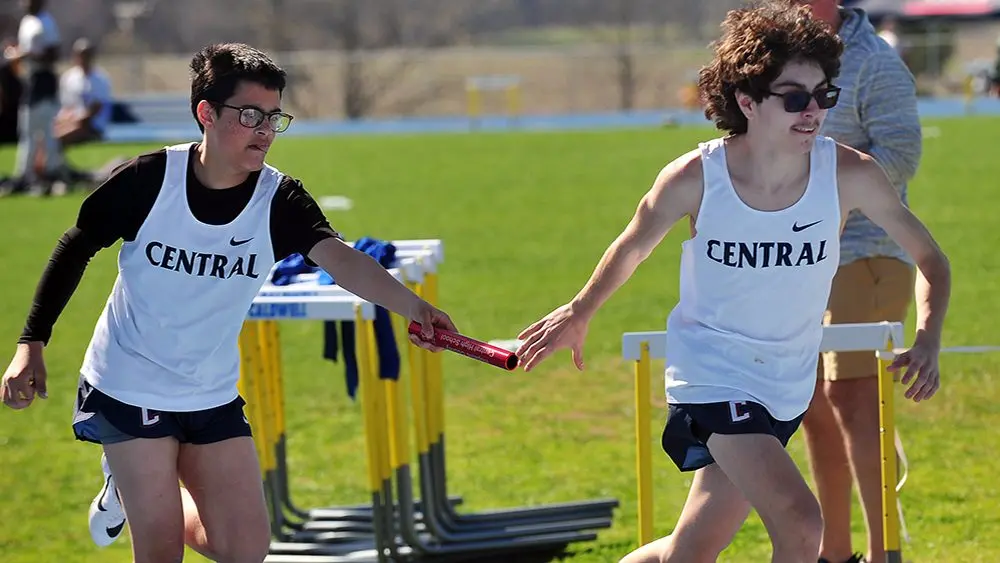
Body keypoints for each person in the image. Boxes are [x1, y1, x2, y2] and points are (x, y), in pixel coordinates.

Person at [515, 2, 950, 562]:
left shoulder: (851, 174)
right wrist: (579, 312)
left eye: (824, 95)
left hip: (783, 386)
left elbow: (930, 259)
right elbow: (631, 248)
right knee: (800, 522)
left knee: (689, 551)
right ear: (747, 101)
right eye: (794, 97)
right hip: (713, 376)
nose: (813, 110)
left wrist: (930, 336)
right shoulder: (696, 177)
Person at [1, 42, 456, 563]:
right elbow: (75, 245)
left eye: (273, 117)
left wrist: (413, 307)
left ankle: (133, 488)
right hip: (129, 384)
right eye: (249, 115)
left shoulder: (279, 200)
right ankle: (134, 483)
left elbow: (342, 259)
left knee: (244, 550)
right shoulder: (150, 180)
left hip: (209, 391)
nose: (264, 130)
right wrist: (30, 344)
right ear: (206, 113)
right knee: (161, 549)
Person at [792, 3, 924, 563]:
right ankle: (835, 553)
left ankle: (885, 550)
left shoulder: (874, 61)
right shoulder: (780, 52)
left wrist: (822, 182)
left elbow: (901, 154)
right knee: (811, 403)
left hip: (868, 252)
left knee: (852, 396)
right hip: (796, 257)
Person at [7, 0, 62, 194]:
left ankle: (52, 171)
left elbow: (53, 55)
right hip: (30, 79)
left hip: (43, 80)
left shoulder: (46, 23)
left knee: (46, 129)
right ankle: (26, 173)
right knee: (27, 130)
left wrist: (27, 55)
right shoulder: (27, 21)